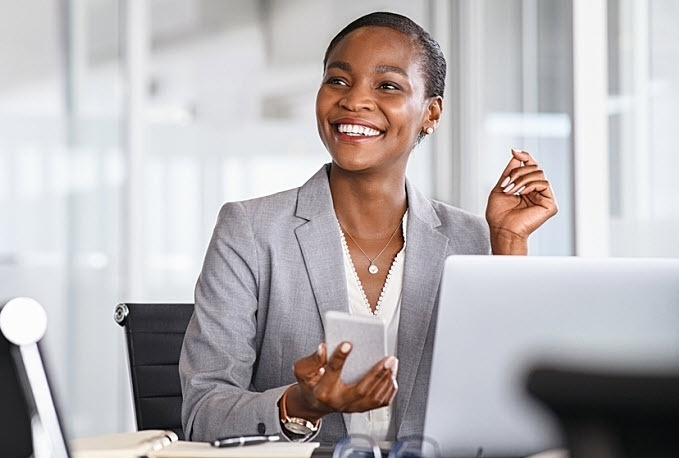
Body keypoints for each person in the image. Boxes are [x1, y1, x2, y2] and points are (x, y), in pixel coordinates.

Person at [179, 11, 557, 444]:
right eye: (338, 80)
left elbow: (513, 403)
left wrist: (508, 243)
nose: (354, 100)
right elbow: (202, 411)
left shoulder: (472, 240)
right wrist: (302, 405)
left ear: (431, 113)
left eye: (388, 86)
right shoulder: (250, 231)